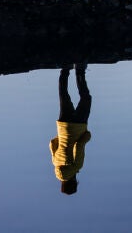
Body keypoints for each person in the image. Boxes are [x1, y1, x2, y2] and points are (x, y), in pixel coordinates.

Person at [50, 64, 92, 195]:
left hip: (78, 125)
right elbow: (52, 143)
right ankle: (65, 68)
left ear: (73, 181)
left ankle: (80, 70)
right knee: (63, 95)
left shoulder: (76, 166)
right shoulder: (55, 163)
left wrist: (87, 136)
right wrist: (62, 135)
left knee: (86, 98)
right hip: (63, 125)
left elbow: (78, 146)